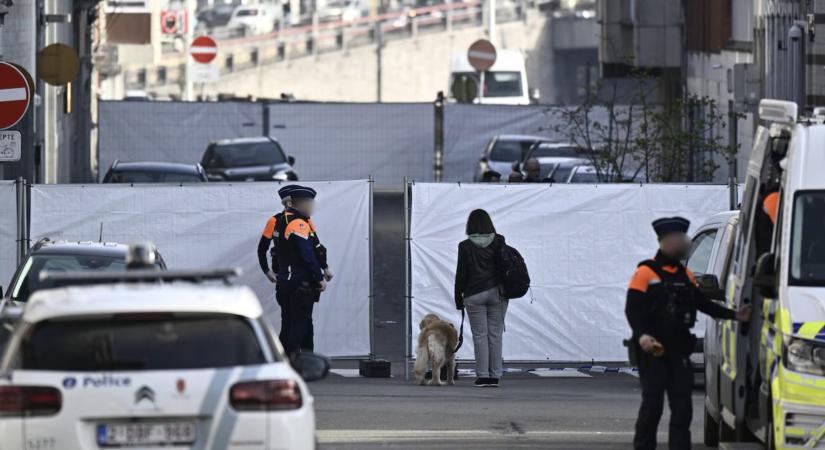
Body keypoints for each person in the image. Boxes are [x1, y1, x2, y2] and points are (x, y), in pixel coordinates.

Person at [626, 217, 751, 450]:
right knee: (652, 408)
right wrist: (642, 335)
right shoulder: (645, 272)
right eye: (681, 239)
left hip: (678, 351)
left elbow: (704, 304)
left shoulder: (685, 275)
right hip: (653, 350)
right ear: (667, 241)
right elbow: (632, 309)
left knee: (683, 410)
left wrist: (735, 315)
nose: (685, 243)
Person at [454, 209, 507, 388]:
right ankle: (495, 376)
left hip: (473, 294)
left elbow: (461, 274)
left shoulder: (465, 246)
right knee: (495, 335)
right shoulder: (499, 241)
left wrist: (458, 298)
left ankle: (483, 376)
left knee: (480, 336)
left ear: (470, 225)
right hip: (497, 294)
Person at [277, 185, 328, 355]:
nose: (312, 207)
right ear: (301, 204)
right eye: (310, 203)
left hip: (287, 281)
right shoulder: (298, 223)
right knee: (299, 326)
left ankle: (301, 360)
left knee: (294, 324)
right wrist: (319, 277)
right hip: (299, 283)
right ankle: (295, 363)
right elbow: (307, 254)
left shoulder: (282, 219)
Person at [258, 185, 297, 343]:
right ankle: (287, 359)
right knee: (288, 321)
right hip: (284, 278)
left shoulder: (305, 221)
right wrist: (267, 271)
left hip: (303, 279)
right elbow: (262, 248)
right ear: (288, 204)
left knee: (304, 324)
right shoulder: (274, 221)